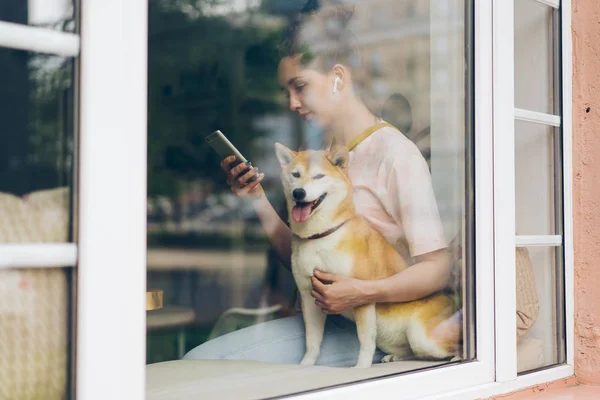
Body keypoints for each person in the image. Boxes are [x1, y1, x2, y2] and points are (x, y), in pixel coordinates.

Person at [183, 8, 456, 367]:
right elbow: (301, 259)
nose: (291, 104)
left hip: (380, 329)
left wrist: (361, 292)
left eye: (300, 87)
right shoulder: (319, 158)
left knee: (203, 363)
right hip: (321, 321)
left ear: (338, 78)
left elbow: (438, 268)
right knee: (205, 358)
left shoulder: (395, 154)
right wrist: (257, 199)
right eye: (287, 91)